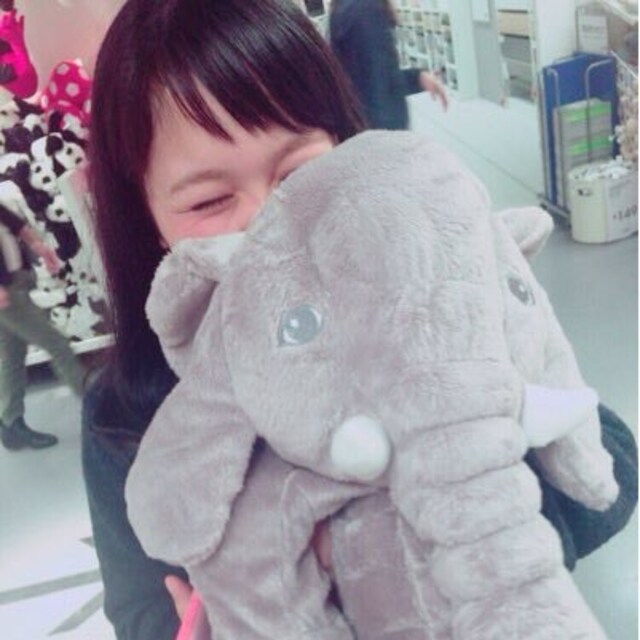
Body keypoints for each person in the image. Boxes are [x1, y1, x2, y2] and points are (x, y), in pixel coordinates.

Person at [82, 1, 637, 639]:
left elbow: (611, 463)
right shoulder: (124, 412)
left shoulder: (419, 291)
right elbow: (138, 609)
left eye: (299, 171)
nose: (268, 220)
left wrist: (434, 523)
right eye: (209, 201)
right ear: (146, 217)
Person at [0, 203, 86, 449]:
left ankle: (11, 424)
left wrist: (41, 247)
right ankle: (99, 411)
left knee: (12, 355)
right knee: (57, 345)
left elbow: (16, 224)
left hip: (16, 284)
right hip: (7, 293)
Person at [329, 0, 448, 131]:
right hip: (381, 131)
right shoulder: (364, 8)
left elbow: (373, 77)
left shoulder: (349, 7)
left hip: (364, 126)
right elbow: (378, 89)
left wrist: (418, 78)